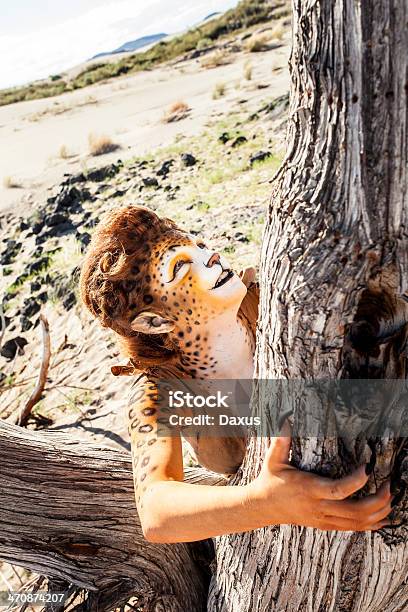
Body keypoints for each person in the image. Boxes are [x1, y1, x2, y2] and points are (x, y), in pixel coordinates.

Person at [79, 205, 391, 543]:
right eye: (182, 266)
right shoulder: (160, 389)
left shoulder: (274, 299)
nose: (210, 256)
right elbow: (156, 513)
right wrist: (267, 503)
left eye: (199, 247)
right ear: (155, 322)